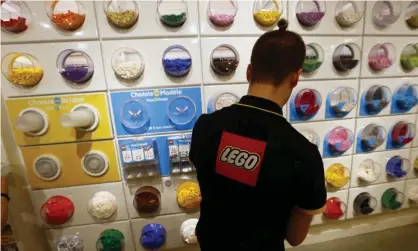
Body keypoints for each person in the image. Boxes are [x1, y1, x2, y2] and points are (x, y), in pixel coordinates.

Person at [189, 19, 327, 251]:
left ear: (249, 71)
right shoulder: (303, 153)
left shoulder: (206, 126)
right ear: (296, 77)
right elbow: (295, 237)